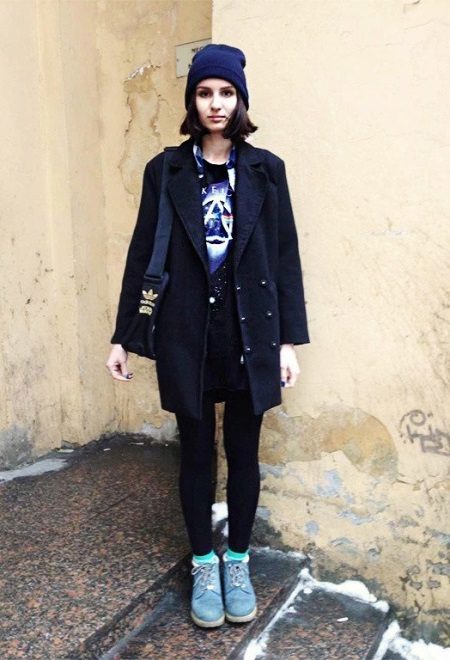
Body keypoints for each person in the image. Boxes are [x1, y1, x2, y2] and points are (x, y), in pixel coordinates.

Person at [106, 44, 309, 628]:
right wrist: (124, 336)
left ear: (240, 99)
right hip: (186, 330)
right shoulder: (166, 170)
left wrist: (287, 341)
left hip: (251, 331)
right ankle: (203, 563)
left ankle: (237, 561)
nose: (215, 103)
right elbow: (143, 254)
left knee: (244, 452)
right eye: (204, 92)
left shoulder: (266, 169)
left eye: (226, 92)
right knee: (195, 453)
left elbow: (285, 256)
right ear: (191, 101)